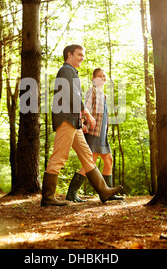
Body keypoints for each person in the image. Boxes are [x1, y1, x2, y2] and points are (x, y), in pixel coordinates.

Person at [41, 44, 123, 206]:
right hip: (66, 120)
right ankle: (48, 196)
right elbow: (71, 95)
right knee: (59, 156)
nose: (82, 58)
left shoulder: (71, 72)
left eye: (83, 55)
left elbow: (69, 98)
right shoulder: (66, 70)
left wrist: (81, 122)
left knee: (87, 157)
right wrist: (87, 114)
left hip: (74, 122)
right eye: (79, 55)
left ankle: (104, 191)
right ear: (69, 55)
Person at [66, 68, 124, 202]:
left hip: (102, 135)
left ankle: (107, 191)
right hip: (93, 132)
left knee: (108, 161)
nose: (102, 78)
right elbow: (84, 108)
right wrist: (82, 123)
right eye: (99, 76)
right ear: (93, 79)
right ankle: (72, 192)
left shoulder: (103, 95)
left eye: (104, 76)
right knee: (90, 162)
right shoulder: (91, 92)